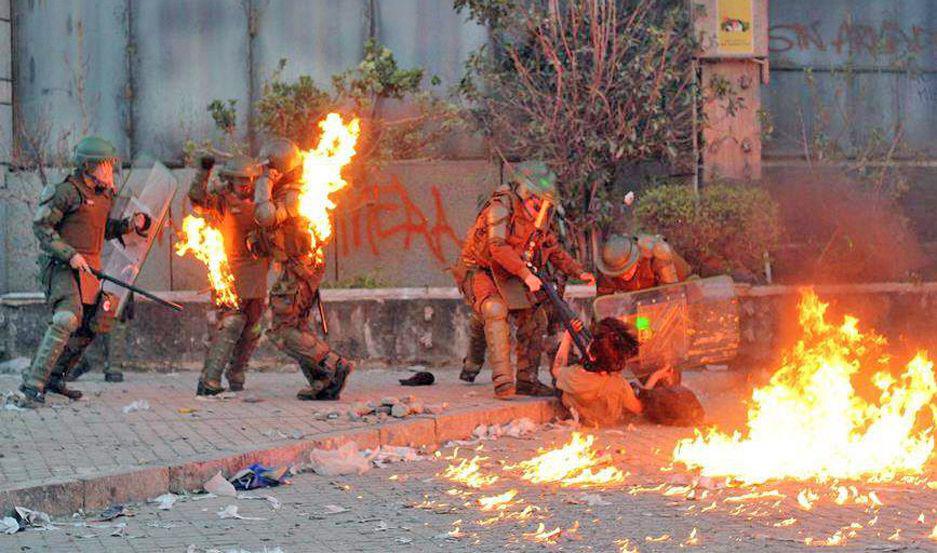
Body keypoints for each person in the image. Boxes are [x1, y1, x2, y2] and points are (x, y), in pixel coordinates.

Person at [19, 136, 150, 405]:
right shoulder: (67, 192)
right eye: (105, 166)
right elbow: (42, 228)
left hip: (90, 268)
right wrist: (70, 254)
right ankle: (33, 382)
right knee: (67, 318)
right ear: (89, 166)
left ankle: (56, 377)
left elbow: (99, 231)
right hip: (62, 267)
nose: (110, 171)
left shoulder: (103, 196)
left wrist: (130, 225)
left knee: (93, 324)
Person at [454, 161, 595, 398]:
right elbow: (497, 247)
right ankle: (502, 381)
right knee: (493, 308)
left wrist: (578, 272)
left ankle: (527, 381)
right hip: (481, 269)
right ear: (526, 194)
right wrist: (527, 274)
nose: (541, 209)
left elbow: (552, 248)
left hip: (511, 272)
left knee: (534, 317)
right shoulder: (501, 207)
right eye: (538, 202)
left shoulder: (537, 220)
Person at [251, 137, 354, 400]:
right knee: (297, 326)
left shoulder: (294, 195)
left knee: (282, 330)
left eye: (269, 168)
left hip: (299, 271)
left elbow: (265, 216)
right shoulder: (292, 192)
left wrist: (264, 182)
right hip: (299, 269)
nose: (264, 173)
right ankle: (323, 381)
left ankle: (333, 364)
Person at [188, 155, 270, 396]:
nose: (244, 185)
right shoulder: (222, 201)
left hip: (257, 275)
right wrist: (204, 170)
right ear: (230, 181)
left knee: (252, 329)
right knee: (231, 324)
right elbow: (196, 198)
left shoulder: (263, 202)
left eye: (248, 180)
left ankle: (236, 373)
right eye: (239, 180)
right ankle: (209, 380)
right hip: (230, 274)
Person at [551, 317, 643, 427]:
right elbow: (639, 408)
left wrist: (568, 337)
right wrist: (656, 378)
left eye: (591, 343)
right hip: (605, 423)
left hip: (581, 419)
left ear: (592, 356)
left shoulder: (574, 376)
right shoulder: (619, 384)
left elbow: (556, 368)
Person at [594, 234, 691, 296]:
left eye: (628, 270)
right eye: (620, 273)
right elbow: (604, 297)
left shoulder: (657, 255)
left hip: (684, 285)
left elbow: (672, 293)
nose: (625, 275)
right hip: (646, 297)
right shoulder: (611, 266)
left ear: (636, 259)